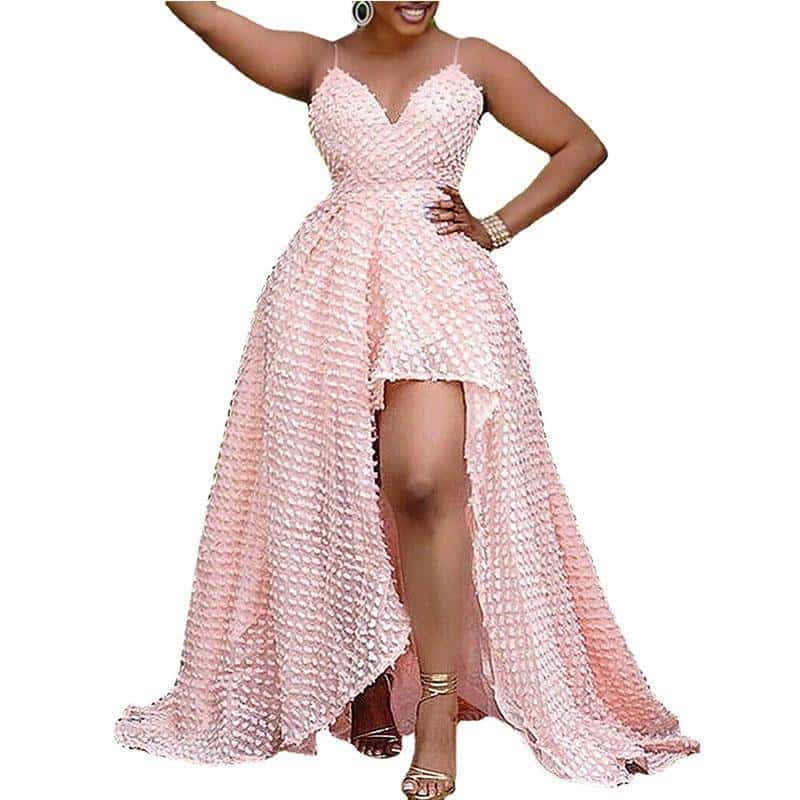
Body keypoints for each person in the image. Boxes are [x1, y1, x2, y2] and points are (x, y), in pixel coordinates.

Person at [115, 3, 699, 797]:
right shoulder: (318, 61)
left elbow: (579, 145)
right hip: (327, 290)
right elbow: (211, 21)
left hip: (437, 286)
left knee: (423, 479)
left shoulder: (476, 60)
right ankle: (362, 674)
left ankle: (436, 701)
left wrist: (496, 226)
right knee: (340, 488)